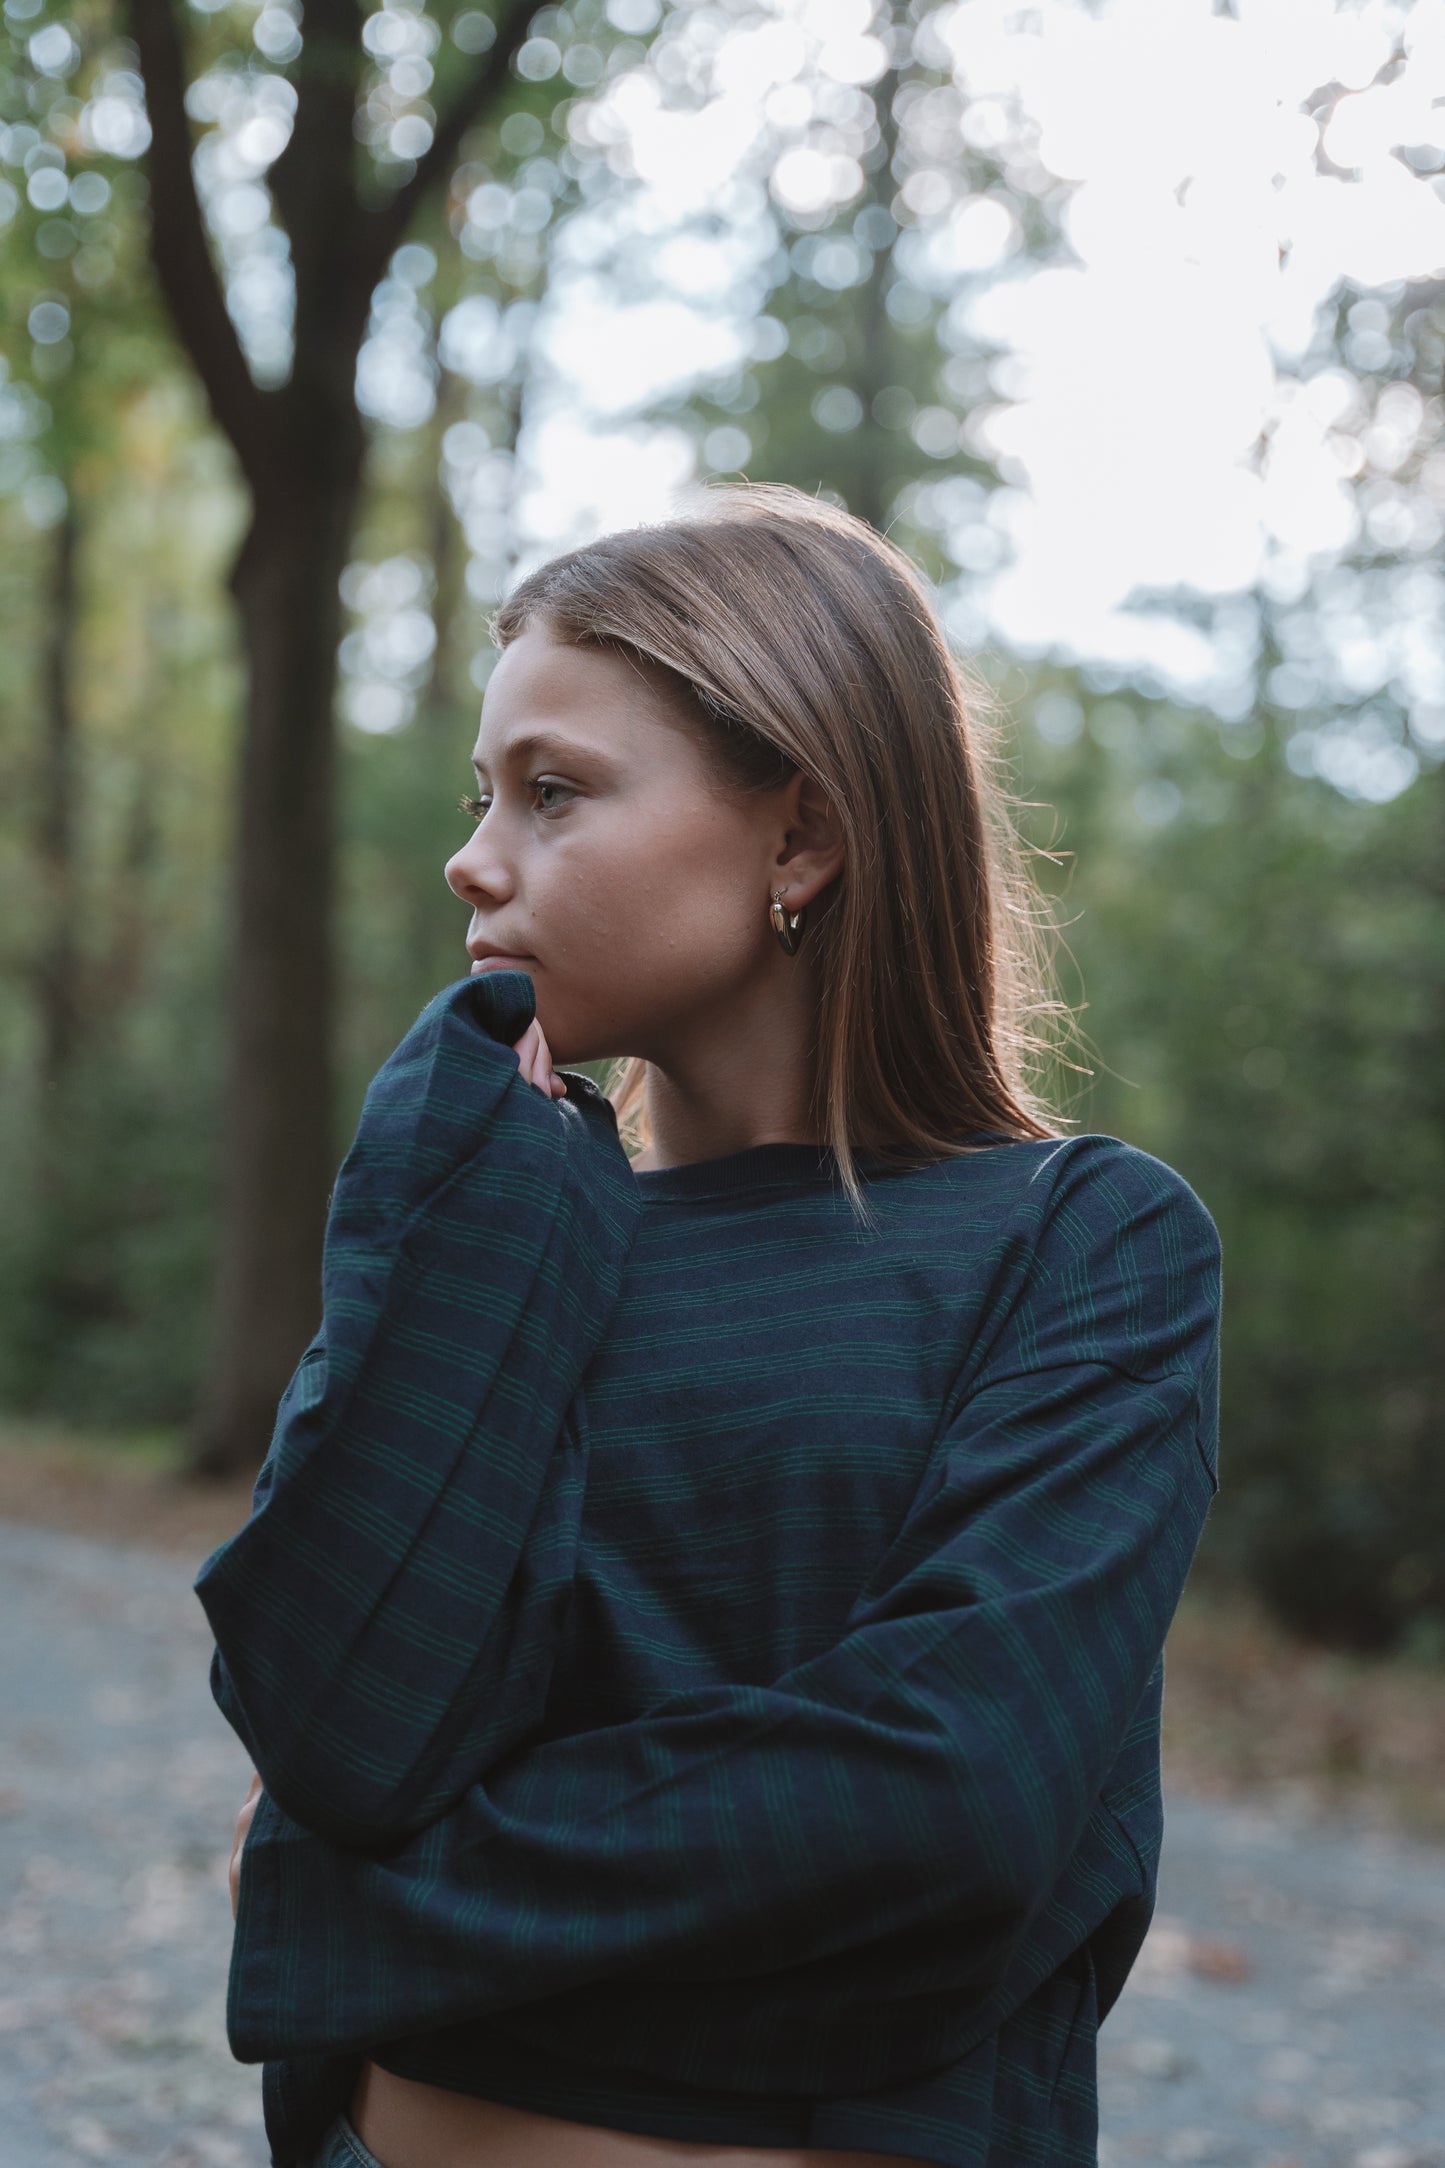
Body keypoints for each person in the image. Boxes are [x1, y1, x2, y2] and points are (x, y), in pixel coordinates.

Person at [199, 483, 1221, 2168]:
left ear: (799, 838)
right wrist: (443, 1210)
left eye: (553, 791)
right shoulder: (505, 1233)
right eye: (482, 795)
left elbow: (940, 1809)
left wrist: (340, 1901)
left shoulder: (1078, 1246)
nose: (471, 853)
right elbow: (341, 1729)